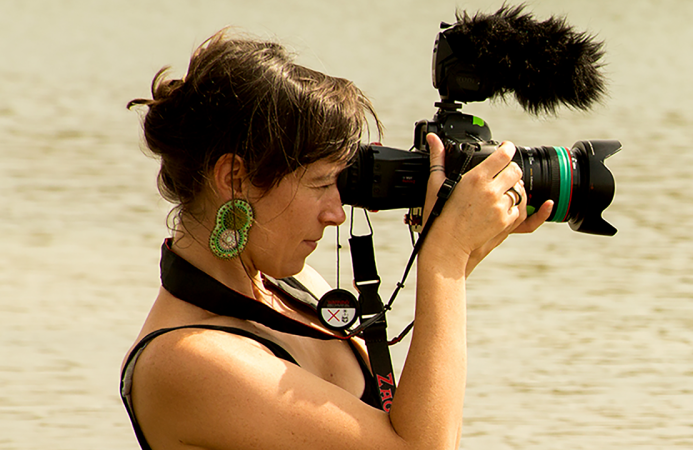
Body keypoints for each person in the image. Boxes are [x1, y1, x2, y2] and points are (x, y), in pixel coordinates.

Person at [121, 28, 554, 450]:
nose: (337, 212)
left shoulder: (294, 284)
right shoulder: (185, 360)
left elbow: (411, 422)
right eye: (321, 184)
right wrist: (445, 259)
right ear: (234, 178)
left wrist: (462, 246)